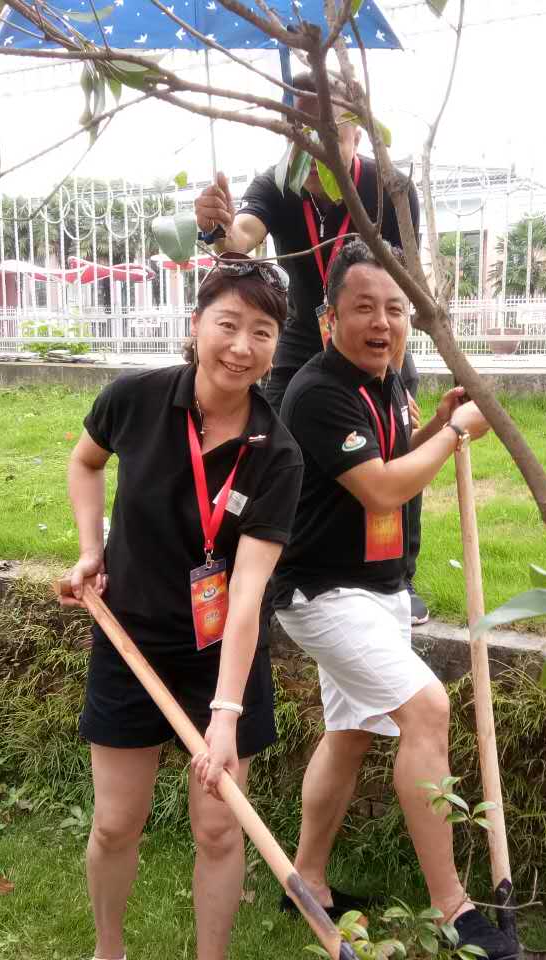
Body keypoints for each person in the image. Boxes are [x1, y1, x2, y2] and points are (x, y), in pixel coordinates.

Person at [272, 238, 518, 960]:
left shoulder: (385, 378)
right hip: (321, 592)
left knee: (350, 733)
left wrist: (435, 426)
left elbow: (389, 453)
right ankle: (453, 907)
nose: (382, 322)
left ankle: (308, 881)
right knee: (427, 708)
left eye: (396, 309)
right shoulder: (317, 392)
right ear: (329, 318)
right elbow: (380, 488)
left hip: (379, 588)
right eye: (364, 308)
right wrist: (456, 438)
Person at [58, 254, 303, 960]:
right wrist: (91, 549)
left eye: (261, 332)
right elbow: (85, 462)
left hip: (222, 657)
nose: (241, 346)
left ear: (275, 346)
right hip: (130, 640)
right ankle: (108, 950)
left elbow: (248, 592)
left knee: (220, 829)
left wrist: (225, 715)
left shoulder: (277, 454)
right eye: (228, 324)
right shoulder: (133, 400)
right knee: (115, 824)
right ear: (195, 325)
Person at [194, 70, 433, 626]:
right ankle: (278, 565)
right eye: (301, 126)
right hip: (305, 336)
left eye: (333, 125)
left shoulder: (389, 187)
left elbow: (399, 281)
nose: (317, 139)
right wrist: (217, 229)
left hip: (374, 337)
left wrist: (394, 380)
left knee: (395, 447)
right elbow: (241, 239)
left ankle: (401, 575)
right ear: (286, 129)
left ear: (358, 130)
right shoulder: (276, 184)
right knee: (274, 446)